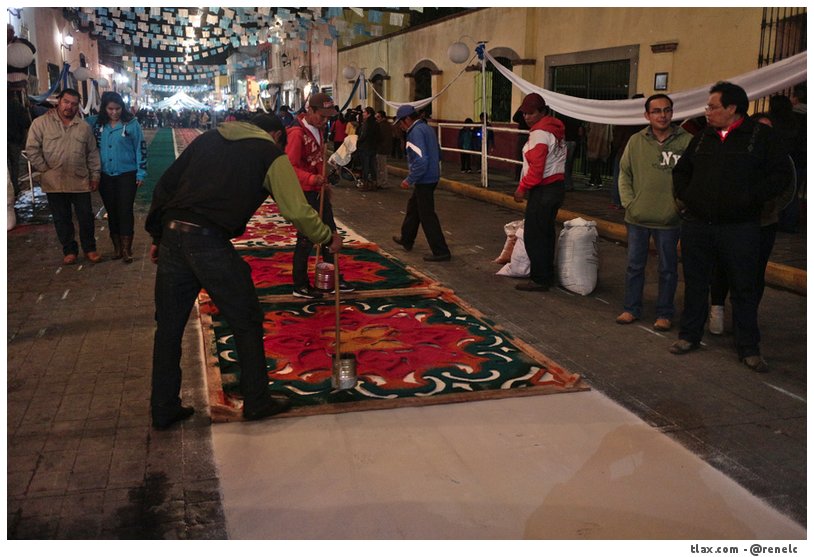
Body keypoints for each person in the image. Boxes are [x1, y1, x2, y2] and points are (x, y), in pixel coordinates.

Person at [145, 114, 342, 428]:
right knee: (246, 318)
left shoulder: (209, 138)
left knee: (168, 326)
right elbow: (294, 209)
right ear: (276, 134)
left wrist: (158, 235)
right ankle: (257, 400)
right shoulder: (269, 153)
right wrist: (325, 235)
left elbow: (167, 185)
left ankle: (163, 406)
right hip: (208, 241)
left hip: (173, 235)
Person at [671, 82, 791, 373]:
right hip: (699, 224)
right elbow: (682, 171)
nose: (707, 112)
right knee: (696, 283)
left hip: (739, 227)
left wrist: (750, 199)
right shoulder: (702, 138)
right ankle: (689, 336)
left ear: (732, 109)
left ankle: (748, 347)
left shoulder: (762, 137)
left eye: (712, 107)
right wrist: (688, 198)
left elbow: (781, 176)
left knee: (744, 286)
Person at [708, 112, 796, 335]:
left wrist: (771, 207)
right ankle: (717, 308)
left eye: (770, 128)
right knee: (724, 266)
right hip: (733, 221)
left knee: (755, 273)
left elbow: (788, 187)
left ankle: (745, 319)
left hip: (763, 224)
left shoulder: (780, 157)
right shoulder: (739, 152)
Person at [615, 94, 692, 331]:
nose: (662, 115)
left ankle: (664, 313)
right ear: (647, 115)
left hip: (669, 220)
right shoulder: (636, 141)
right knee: (634, 266)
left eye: (667, 110)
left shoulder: (686, 141)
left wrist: (680, 205)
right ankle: (631, 308)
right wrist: (630, 203)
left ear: (672, 113)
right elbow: (624, 173)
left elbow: (694, 176)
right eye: (656, 111)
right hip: (637, 218)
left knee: (668, 269)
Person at [286, 92, 354, 298]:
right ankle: (300, 284)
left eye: (327, 118)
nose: (325, 121)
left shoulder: (319, 130)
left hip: (319, 191)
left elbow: (319, 160)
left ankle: (331, 278)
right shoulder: (297, 134)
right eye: (321, 116)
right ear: (310, 110)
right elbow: (289, 167)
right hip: (305, 193)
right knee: (306, 238)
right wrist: (310, 179)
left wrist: (323, 178)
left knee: (330, 234)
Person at [25, 88, 102, 265]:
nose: (70, 106)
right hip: (54, 182)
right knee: (62, 218)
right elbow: (32, 149)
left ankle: (90, 249)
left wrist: (95, 176)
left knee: (86, 217)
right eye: (66, 102)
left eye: (74, 104)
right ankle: (69, 251)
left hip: (79, 180)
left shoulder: (83, 127)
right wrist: (44, 168)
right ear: (59, 101)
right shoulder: (40, 123)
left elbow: (92, 153)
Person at [512, 93, 567, 291]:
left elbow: (536, 168)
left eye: (531, 113)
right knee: (545, 233)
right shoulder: (555, 130)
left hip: (543, 189)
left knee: (535, 235)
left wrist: (521, 189)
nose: (527, 117)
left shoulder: (539, 134)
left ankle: (540, 278)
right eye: (524, 113)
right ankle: (546, 274)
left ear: (542, 112)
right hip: (556, 188)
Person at [86, 91, 147, 263]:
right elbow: (77, 124)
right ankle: (117, 248)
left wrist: (141, 172)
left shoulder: (131, 124)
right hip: (105, 175)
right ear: (104, 108)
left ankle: (127, 249)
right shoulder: (96, 124)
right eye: (110, 109)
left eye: (118, 108)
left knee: (125, 210)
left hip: (127, 174)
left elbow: (140, 148)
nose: (114, 112)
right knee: (112, 211)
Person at [391, 104, 451, 262]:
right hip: (430, 176)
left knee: (427, 216)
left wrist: (409, 179)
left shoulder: (415, 132)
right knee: (413, 208)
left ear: (408, 119)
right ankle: (407, 238)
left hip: (424, 178)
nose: (401, 127)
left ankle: (441, 251)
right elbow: (438, 153)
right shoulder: (426, 128)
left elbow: (421, 160)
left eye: (401, 123)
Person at [356, 106, 379, 190]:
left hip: (365, 147)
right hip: (373, 147)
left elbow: (363, 135)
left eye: (364, 112)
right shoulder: (376, 123)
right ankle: (374, 183)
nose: (363, 114)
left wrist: (358, 141)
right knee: (372, 166)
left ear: (369, 114)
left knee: (365, 166)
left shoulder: (366, 123)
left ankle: (365, 184)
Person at [375, 110, 393, 187]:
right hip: (383, 148)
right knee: (382, 166)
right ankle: (382, 182)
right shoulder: (386, 125)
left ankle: (383, 182)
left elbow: (380, 138)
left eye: (378, 117)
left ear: (382, 117)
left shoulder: (382, 126)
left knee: (381, 167)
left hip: (381, 148)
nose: (377, 119)